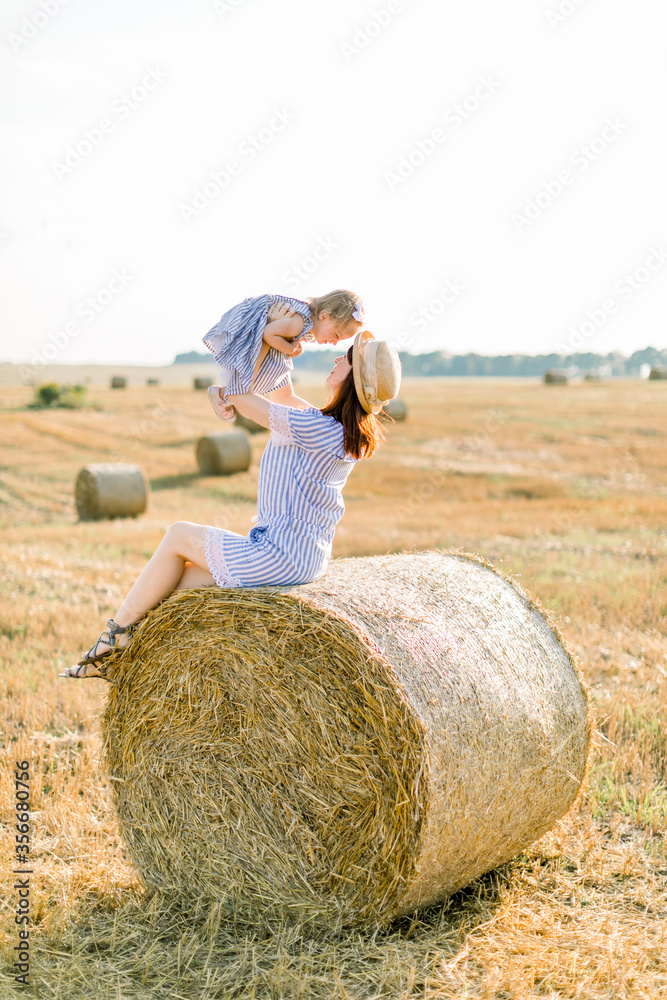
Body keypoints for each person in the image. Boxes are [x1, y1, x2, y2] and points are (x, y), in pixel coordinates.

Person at [59, 330, 401, 681]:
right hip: (298, 555)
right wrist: (278, 349)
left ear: (354, 379)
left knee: (178, 534)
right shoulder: (329, 427)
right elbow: (283, 395)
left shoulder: (319, 428)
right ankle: (128, 664)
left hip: (280, 553)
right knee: (182, 579)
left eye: (346, 358)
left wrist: (251, 345)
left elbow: (245, 400)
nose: (336, 359)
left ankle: (113, 637)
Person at [202, 289, 364, 421]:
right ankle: (223, 394)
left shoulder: (305, 324)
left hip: (267, 330)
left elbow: (282, 339)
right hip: (255, 326)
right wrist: (290, 349)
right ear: (324, 316)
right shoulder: (300, 322)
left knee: (260, 380)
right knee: (245, 385)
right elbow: (268, 333)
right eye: (336, 335)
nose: (335, 343)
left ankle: (227, 396)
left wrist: (293, 348)